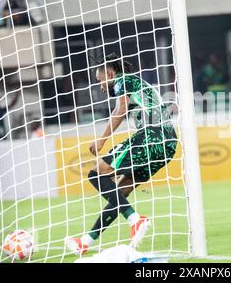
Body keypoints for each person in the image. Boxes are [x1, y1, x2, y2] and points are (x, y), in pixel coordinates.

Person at [65, 53, 177, 256]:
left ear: (109, 73)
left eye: (100, 81)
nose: (100, 86)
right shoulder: (136, 83)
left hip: (151, 135)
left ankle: (136, 220)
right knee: (120, 193)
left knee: (96, 174)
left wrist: (102, 139)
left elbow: (120, 110)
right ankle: (86, 241)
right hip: (168, 144)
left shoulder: (122, 80)